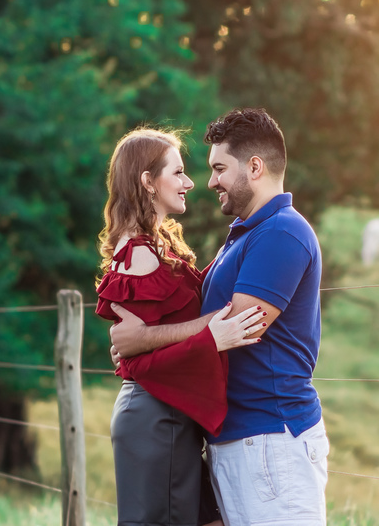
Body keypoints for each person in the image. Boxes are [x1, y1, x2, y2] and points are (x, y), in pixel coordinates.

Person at [111, 108, 328, 526]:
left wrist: (142, 341)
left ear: (255, 167)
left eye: (219, 169)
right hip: (236, 440)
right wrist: (141, 347)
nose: (209, 182)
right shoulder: (244, 235)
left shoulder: (281, 232)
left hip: (270, 439)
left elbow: (237, 324)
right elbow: (203, 321)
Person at [95, 127, 267, 526]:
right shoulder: (137, 255)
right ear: (147, 182)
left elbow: (144, 340)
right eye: (177, 172)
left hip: (172, 415)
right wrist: (212, 333)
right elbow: (137, 357)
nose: (189, 183)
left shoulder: (158, 246)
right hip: (157, 417)